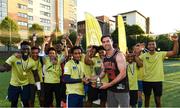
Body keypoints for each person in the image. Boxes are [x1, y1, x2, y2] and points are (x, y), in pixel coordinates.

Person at [135, 34, 179, 107]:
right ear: (147, 46)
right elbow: (139, 64)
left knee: (158, 101)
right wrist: (138, 52)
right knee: (146, 100)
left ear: (155, 46)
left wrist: (176, 41)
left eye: (153, 44)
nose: (151, 46)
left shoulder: (160, 54)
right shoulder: (144, 55)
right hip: (146, 80)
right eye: (150, 44)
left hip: (157, 81)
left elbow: (174, 52)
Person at [0, 41, 40, 107]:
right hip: (14, 85)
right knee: (14, 103)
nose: (26, 50)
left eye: (28, 49)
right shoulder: (14, 57)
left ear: (30, 50)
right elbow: (4, 67)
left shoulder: (32, 62)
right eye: (24, 49)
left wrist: (38, 88)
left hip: (25, 85)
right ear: (20, 49)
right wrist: (2, 69)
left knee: (25, 102)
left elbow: (35, 74)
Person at [99, 35, 129, 107]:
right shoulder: (105, 57)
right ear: (102, 44)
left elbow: (123, 74)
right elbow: (103, 71)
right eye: (103, 42)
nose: (106, 43)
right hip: (111, 89)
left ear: (111, 42)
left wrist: (108, 85)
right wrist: (95, 79)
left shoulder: (119, 55)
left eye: (108, 41)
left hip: (121, 88)